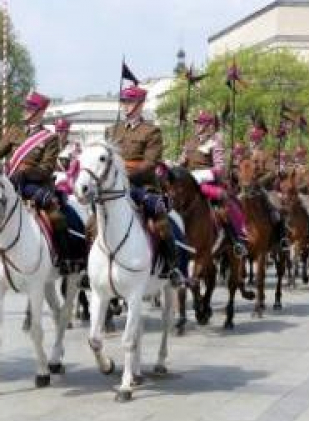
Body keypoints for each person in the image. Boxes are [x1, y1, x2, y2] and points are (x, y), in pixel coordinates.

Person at [0, 91, 72, 274]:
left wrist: (25, 174)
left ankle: (64, 258)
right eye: (25, 107)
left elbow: (46, 169)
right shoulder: (14, 131)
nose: (25, 111)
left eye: (30, 108)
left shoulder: (49, 138)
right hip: (12, 182)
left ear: (40, 112)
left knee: (56, 215)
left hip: (35, 184)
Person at [106, 84, 184, 285]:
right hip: (115, 188)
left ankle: (171, 265)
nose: (125, 106)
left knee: (160, 219)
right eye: (123, 101)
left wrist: (123, 172)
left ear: (140, 105)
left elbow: (150, 164)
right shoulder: (112, 130)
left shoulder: (151, 132)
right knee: (92, 223)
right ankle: (85, 266)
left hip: (141, 187)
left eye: (130, 102)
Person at [179, 110, 247, 255]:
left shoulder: (215, 141)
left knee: (224, 205)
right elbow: (182, 163)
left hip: (206, 182)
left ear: (208, 125)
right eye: (196, 122)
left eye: (201, 123)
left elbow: (220, 168)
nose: (197, 125)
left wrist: (199, 175)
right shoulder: (189, 142)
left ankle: (236, 239)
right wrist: (180, 163)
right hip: (188, 183)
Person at [247, 124, 290, 250]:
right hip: (247, 188)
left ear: (261, 140)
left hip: (265, 188)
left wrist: (259, 182)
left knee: (277, 210)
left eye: (256, 139)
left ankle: (282, 238)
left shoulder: (266, 154)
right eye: (252, 139)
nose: (254, 141)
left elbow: (271, 172)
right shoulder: (246, 155)